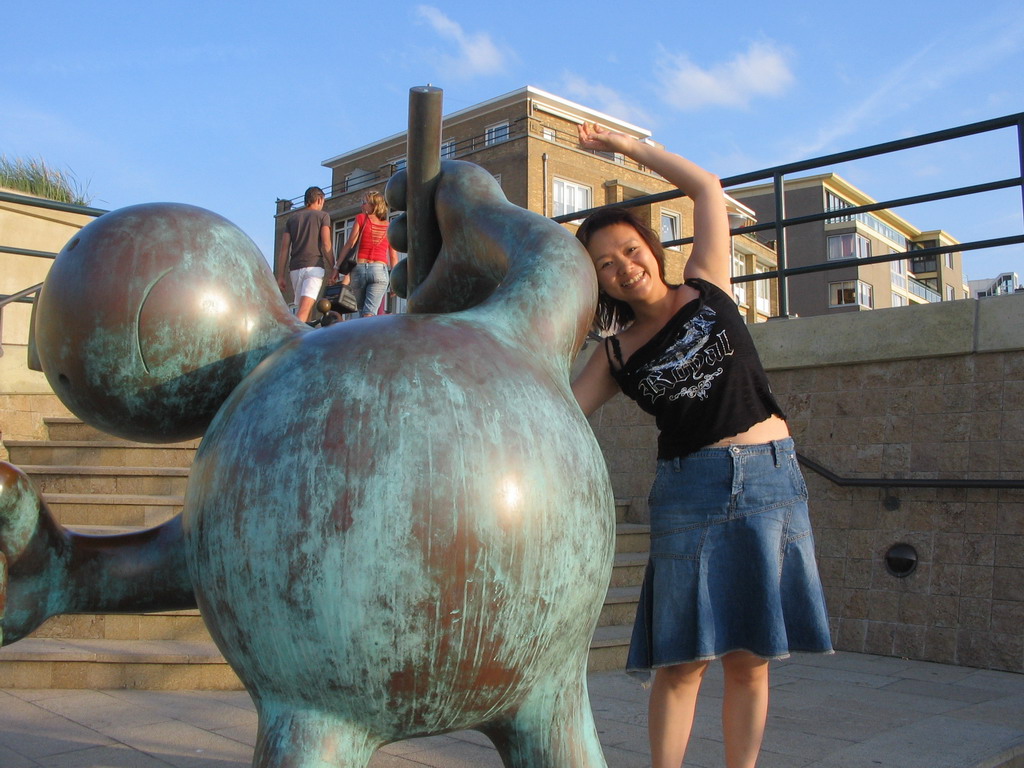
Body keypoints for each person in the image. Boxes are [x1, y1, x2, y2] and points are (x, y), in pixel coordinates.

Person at [571, 123, 832, 768]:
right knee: (681, 662)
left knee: (750, 661)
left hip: (771, 479)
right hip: (690, 492)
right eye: (605, 265)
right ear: (597, 282)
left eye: (629, 250)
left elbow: (707, 188)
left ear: (649, 247)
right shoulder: (614, 353)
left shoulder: (707, 285)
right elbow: (560, 411)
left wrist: (624, 149)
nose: (624, 268)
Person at [331, 190, 398, 317]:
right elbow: (393, 256)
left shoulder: (361, 219)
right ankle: (368, 334)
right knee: (370, 312)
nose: (361, 205)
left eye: (364, 203)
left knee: (363, 312)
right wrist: (395, 282)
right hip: (379, 270)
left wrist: (336, 267)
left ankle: (363, 334)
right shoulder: (389, 226)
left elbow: (350, 243)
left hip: (359, 269)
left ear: (374, 205)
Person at [276, 186, 333, 323]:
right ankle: (294, 339)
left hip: (295, 269)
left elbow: (284, 249)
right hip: (313, 267)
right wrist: (334, 267)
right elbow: (326, 245)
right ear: (319, 199)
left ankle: (304, 340)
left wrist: (281, 276)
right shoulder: (323, 216)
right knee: (305, 309)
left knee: (306, 309)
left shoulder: (292, 220)